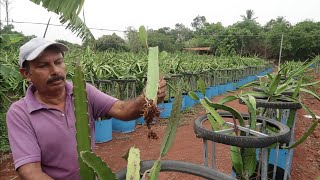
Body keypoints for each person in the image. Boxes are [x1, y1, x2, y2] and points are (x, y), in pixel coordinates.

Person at [6, 37, 167, 180]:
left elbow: (123, 110)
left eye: (58, 62)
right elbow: (29, 172)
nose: (55, 71)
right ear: (26, 74)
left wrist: (147, 99)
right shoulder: (19, 113)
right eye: (43, 66)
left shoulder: (82, 92)